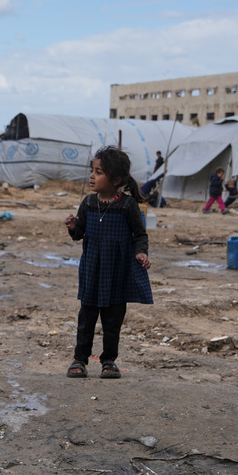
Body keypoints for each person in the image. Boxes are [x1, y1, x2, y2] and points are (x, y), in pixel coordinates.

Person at [64, 146, 152, 380]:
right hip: (92, 272)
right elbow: (80, 232)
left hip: (117, 274)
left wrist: (140, 253)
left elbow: (140, 235)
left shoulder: (127, 206)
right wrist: (73, 227)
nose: (92, 176)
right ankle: (80, 359)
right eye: (92, 171)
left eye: (99, 172)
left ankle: (109, 361)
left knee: (112, 321)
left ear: (117, 180)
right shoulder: (89, 203)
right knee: (86, 319)